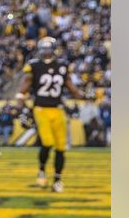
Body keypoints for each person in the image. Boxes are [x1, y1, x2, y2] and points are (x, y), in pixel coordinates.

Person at [18, 36, 83, 192]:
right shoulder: (33, 66)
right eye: (43, 49)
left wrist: (82, 95)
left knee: (61, 146)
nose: (46, 52)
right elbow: (24, 86)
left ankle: (58, 179)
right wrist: (20, 104)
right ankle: (41, 172)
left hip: (58, 108)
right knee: (47, 143)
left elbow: (70, 86)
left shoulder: (62, 66)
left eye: (48, 49)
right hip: (40, 108)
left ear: (54, 50)